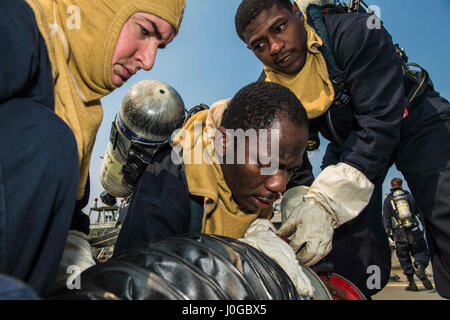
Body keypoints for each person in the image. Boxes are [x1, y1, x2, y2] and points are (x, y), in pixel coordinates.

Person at [234, 0, 450, 298]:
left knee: (445, 208)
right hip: (349, 142)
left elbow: (379, 125)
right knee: (345, 238)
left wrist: (326, 203)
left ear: (298, 14)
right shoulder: (270, 92)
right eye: (259, 45)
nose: (274, 47)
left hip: (412, 118)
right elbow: (290, 159)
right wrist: (303, 203)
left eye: (279, 28)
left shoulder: (357, 33)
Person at [0, 0, 185, 297]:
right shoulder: (16, 26)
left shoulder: (82, 116)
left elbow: (70, 220)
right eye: (144, 31)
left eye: (159, 47)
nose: (148, 61)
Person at [114, 81, 309, 252]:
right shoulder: (166, 187)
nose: (279, 185)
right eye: (266, 163)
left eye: (290, 170)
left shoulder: (251, 190)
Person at [383, 178, 433, 291]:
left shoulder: (388, 200)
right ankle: (420, 267)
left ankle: (412, 284)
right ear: (401, 185)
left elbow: (386, 218)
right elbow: (419, 212)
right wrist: (423, 227)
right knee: (421, 251)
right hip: (414, 230)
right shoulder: (409, 196)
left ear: (391, 186)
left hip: (400, 233)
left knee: (404, 257)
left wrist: (390, 234)